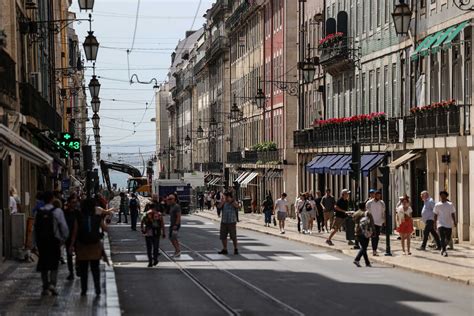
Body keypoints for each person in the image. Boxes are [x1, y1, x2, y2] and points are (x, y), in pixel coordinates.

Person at [35, 191, 69, 296]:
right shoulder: (57, 211)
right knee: (54, 264)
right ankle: (52, 285)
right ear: (52, 199)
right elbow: (63, 227)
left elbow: (35, 229)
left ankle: (45, 287)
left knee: (43, 264)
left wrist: (33, 244)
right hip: (54, 241)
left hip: (42, 242)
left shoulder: (38, 212)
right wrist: (64, 238)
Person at [70, 198, 106, 296]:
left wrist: (71, 245)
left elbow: (75, 232)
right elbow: (105, 228)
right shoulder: (97, 217)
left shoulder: (80, 217)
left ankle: (84, 289)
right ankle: (97, 289)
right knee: (95, 269)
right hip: (95, 246)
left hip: (82, 246)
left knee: (84, 269)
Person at [433, 191, 457, 257]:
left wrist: (454, 221)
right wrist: (435, 223)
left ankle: (442, 247)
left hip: (448, 223)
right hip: (440, 223)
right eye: (441, 195)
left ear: (446, 196)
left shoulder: (450, 204)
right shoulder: (437, 205)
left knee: (448, 238)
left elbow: (452, 213)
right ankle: (444, 250)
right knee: (442, 237)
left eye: (444, 195)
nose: (442, 197)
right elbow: (435, 214)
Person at [64, 194, 80, 280]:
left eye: (75, 202)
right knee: (69, 255)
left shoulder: (77, 212)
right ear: (69, 203)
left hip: (77, 237)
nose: (74, 204)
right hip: (68, 236)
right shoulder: (65, 212)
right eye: (73, 202)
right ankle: (71, 272)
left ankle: (77, 267)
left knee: (78, 254)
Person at [353, 202, 375, 267]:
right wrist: (373, 231)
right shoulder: (367, 213)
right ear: (365, 206)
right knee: (364, 247)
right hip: (365, 231)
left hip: (357, 231)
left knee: (363, 247)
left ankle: (367, 263)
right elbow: (371, 223)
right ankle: (357, 259)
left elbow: (353, 220)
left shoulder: (355, 213)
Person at [366, 190, 385, 256]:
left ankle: (374, 249)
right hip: (371, 222)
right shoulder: (369, 203)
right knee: (373, 236)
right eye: (377, 195)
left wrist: (384, 220)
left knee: (376, 236)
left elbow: (383, 212)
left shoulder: (382, 203)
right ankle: (374, 250)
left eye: (379, 195)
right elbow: (366, 212)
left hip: (379, 222)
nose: (378, 197)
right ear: (374, 195)